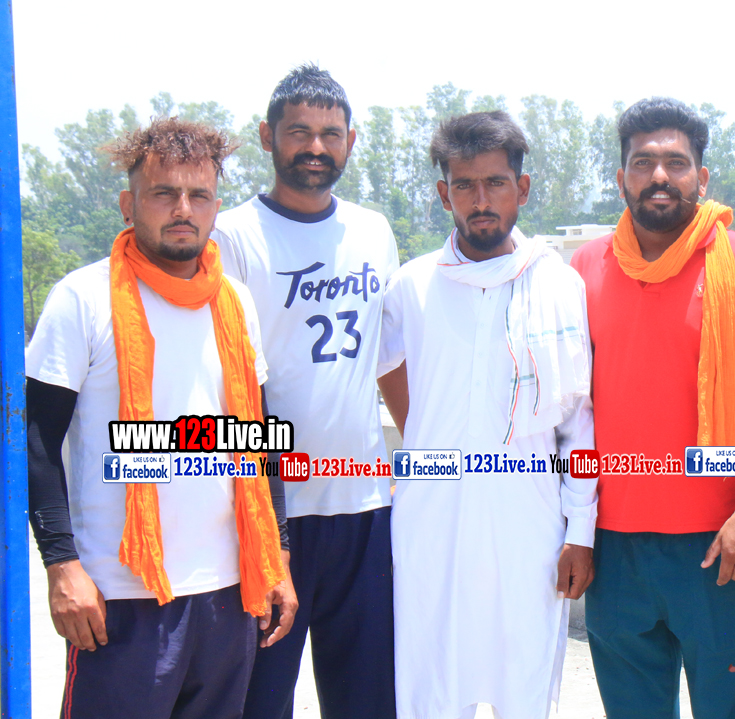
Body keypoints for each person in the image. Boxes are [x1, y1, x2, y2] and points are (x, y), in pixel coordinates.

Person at [26, 118, 295, 718]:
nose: (182, 209)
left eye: (199, 195)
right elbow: (36, 442)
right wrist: (62, 566)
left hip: (229, 593)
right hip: (119, 599)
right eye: (163, 193)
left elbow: (260, 442)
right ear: (129, 205)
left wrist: (276, 555)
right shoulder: (82, 299)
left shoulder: (235, 302)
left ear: (216, 206)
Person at [570, 97, 735, 719]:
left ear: (702, 176)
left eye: (676, 162)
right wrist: (575, 529)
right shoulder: (584, 269)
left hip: (716, 541)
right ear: (621, 177)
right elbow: (570, 411)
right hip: (613, 544)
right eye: (643, 163)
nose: (660, 176)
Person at [376, 110, 597, 719]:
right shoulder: (411, 286)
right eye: (465, 185)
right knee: (430, 684)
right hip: (432, 520)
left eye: (495, 183)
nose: (480, 200)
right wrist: (427, 440)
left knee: (523, 684)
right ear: (443, 193)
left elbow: (577, 421)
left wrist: (579, 531)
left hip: (527, 521)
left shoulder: (557, 285)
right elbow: (387, 368)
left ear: (521, 188)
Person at [212, 65, 398, 719]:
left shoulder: (373, 230)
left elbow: (390, 360)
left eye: (330, 134)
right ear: (268, 136)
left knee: (370, 699)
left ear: (350, 141)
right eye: (299, 132)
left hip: (365, 505)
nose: (315, 148)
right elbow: (227, 383)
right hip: (271, 514)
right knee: (261, 699)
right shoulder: (232, 235)